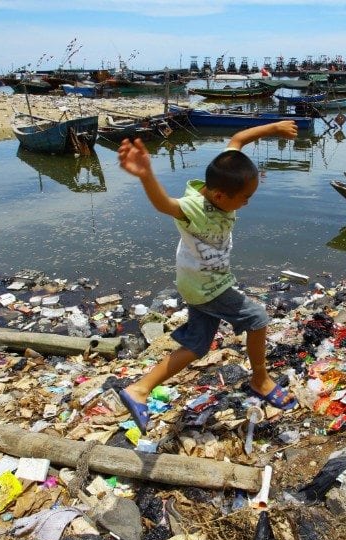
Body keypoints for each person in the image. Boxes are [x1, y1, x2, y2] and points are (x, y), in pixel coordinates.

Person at [116, 121, 300, 434]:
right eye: (244, 197)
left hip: (196, 283)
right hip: (209, 286)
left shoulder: (226, 175)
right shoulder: (194, 208)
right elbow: (164, 204)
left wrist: (275, 128)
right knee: (257, 318)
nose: (246, 203)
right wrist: (147, 175)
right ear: (218, 194)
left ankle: (139, 390)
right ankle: (260, 379)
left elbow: (238, 137)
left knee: (197, 345)